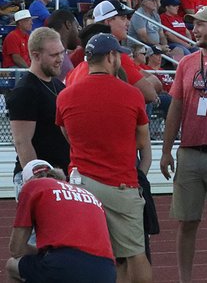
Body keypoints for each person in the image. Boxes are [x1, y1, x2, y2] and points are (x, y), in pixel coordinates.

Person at [54, 33, 152, 283]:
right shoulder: (132, 94)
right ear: (111, 57)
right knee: (134, 253)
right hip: (121, 183)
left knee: (88, 254)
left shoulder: (65, 95)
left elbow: (68, 136)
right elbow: (142, 141)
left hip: (81, 184)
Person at [160, 5, 207, 283]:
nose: (194, 29)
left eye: (200, 24)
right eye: (194, 24)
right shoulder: (186, 63)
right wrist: (166, 151)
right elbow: (175, 108)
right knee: (187, 222)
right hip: (189, 152)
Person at [6, 160, 117, 283]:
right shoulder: (90, 195)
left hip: (63, 264)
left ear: (27, 181)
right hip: (106, 270)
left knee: (12, 265)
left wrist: (42, 252)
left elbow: (16, 249)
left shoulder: (32, 187)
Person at [8, 28, 69, 194]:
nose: (60, 59)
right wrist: (39, 181)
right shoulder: (25, 91)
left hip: (59, 176)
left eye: (62, 53)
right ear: (36, 56)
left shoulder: (58, 86)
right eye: (54, 55)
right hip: (39, 179)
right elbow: (22, 142)